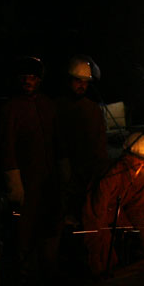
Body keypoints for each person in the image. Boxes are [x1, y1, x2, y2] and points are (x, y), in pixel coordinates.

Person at [0, 56, 66, 285]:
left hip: (49, 179)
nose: (28, 81)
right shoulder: (11, 109)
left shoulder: (47, 105)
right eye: (25, 77)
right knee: (25, 229)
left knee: (49, 224)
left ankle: (49, 273)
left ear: (39, 80)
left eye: (33, 77)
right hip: (27, 179)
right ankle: (25, 276)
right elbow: (7, 146)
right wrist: (14, 181)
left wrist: (62, 170)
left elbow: (58, 140)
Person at [82, 132, 144, 280]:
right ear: (129, 159)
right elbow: (95, 216)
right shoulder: (112, 175)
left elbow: (137, 209)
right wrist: (98, 255)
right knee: (103, 247)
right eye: (141, 161)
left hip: (113, 211)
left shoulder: (138, 177)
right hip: (94, 209)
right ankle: (102, 281)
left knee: (132, 236)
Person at [55, 54, 109, 225]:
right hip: (63, 175)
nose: (82, 85)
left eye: (85, 82)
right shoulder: (56, 107)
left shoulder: (93, 109)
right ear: (69, 80)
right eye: (78, 81)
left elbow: (100, 142)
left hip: (87, 175)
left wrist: (102, 170)